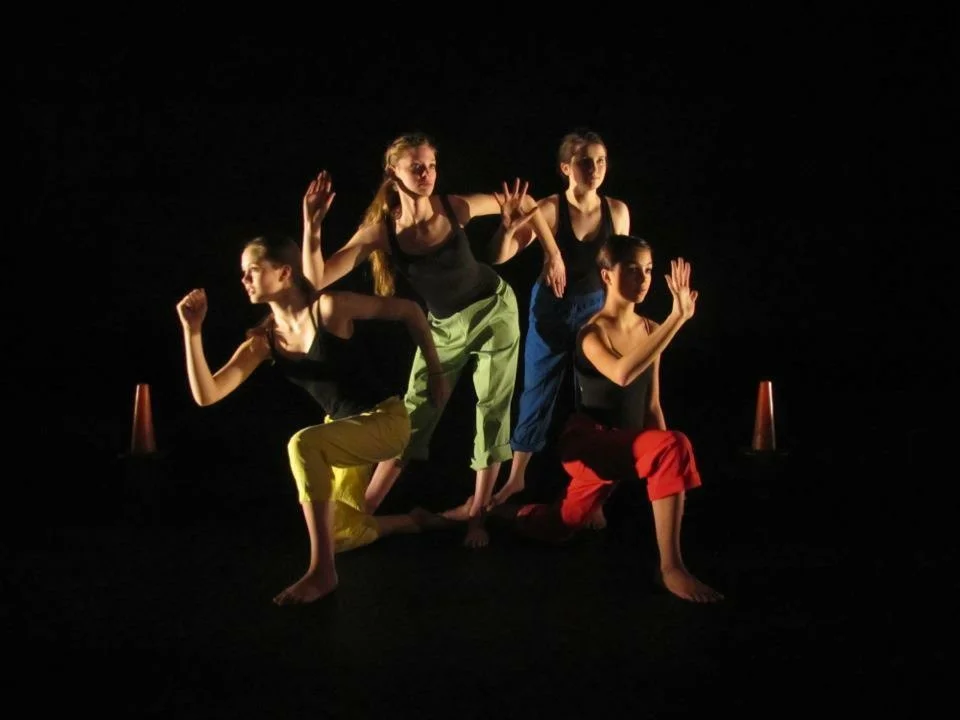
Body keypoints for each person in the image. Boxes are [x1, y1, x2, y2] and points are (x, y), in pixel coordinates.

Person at [303, 133, 565, 549]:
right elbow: (317, 279)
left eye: (431, 166)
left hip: (494, 310)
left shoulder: (453, 207)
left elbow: (528, 206)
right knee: (411, 417)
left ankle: (477, 516)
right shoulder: (382, 231)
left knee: (491, 410)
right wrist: (312, 226)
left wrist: (552, 254)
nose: (427, 175)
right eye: (416, 167)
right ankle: (362, 512)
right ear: (393, 173)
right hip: (442, 327)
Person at [444, 235, 723, 603]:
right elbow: (622, 374)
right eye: (633, 269)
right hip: (586, 446)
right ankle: (670, 568)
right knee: (671, 447)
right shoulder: (592, 332)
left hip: (624, 447)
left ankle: (500, 511)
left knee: (561, 524)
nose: (644, 278)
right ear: (607, 275)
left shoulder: (651, 329)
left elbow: (651, 405)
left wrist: (659, 464)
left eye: (650, 270)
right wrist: (678, 318)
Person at [176, 230, 450, 605]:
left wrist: (435, 373)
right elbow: (207, 395)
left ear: (285, 273)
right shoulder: (264, 341)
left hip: (386, 422)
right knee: (338, 534)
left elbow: (411, 311)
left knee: (302, 444)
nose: (243, 280)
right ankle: (411, 521)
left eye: (252, 271)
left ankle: (322, 573)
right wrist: (192, 332)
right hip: (341, 433)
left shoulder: (329, 309)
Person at [488, 129, 631, 530]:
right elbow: (498, 256)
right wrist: (505, 227)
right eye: (586, 162)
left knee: (596, 399)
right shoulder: (550, 208)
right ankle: (516, 479)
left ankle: (595, 493)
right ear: (566, 167)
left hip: (593, 309)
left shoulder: (616, 210)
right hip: (551, 310)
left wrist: (621, 320)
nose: (595, 169)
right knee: (537, 390)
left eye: (601, 161)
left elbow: (617, 271)